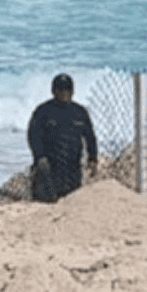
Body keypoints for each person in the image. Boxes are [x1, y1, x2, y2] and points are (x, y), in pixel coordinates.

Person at [27, 74, 98, 202]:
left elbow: (90, 137)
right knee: (48, 200)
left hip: (73, 168)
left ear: (73, 91)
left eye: (67, 89)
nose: (64, 93)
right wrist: (40, 157)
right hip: (50, 167)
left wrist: (92, 158)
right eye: (60, 90)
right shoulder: (43, 111)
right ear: (53, 91)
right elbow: (33, 135)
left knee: (71, 200)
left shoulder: (80, 112)